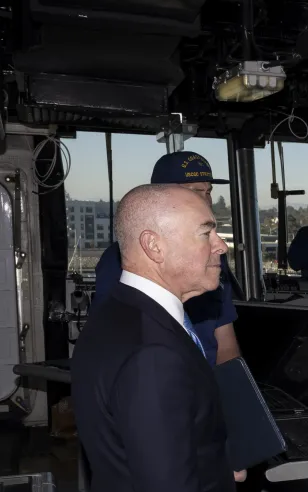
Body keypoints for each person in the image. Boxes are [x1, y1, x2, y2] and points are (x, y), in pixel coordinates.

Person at [89, 150, 264, 492]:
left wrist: (219, 455)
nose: (223, 244)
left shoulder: (126, 313)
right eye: (208, 231)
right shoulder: (153, 352)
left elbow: (151, 444)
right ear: (154, 246)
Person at [93, 150, 240, 366]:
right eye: (196, 191)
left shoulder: (213, 256)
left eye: (208, 191)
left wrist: (234, 393)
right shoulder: (120, 259)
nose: (206, 200)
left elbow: (225, 338)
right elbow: (108, 336)